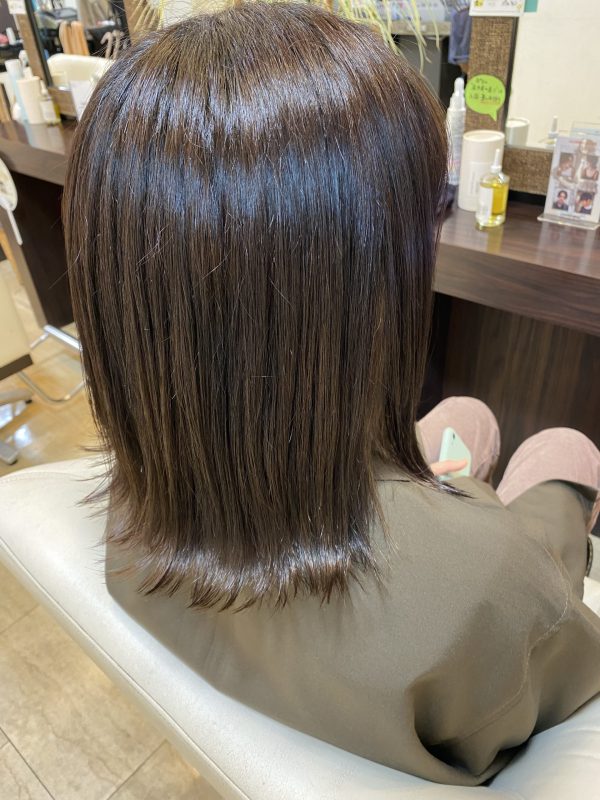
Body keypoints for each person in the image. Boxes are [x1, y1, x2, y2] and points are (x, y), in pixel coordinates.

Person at [62, 3, 600, 787]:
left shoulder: (137, 495)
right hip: (466, 587)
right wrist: (531, 519)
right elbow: (555, 643)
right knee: (562, 453)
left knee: (465, 421)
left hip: (330, 560)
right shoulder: (488, 590)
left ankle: (456, 481)